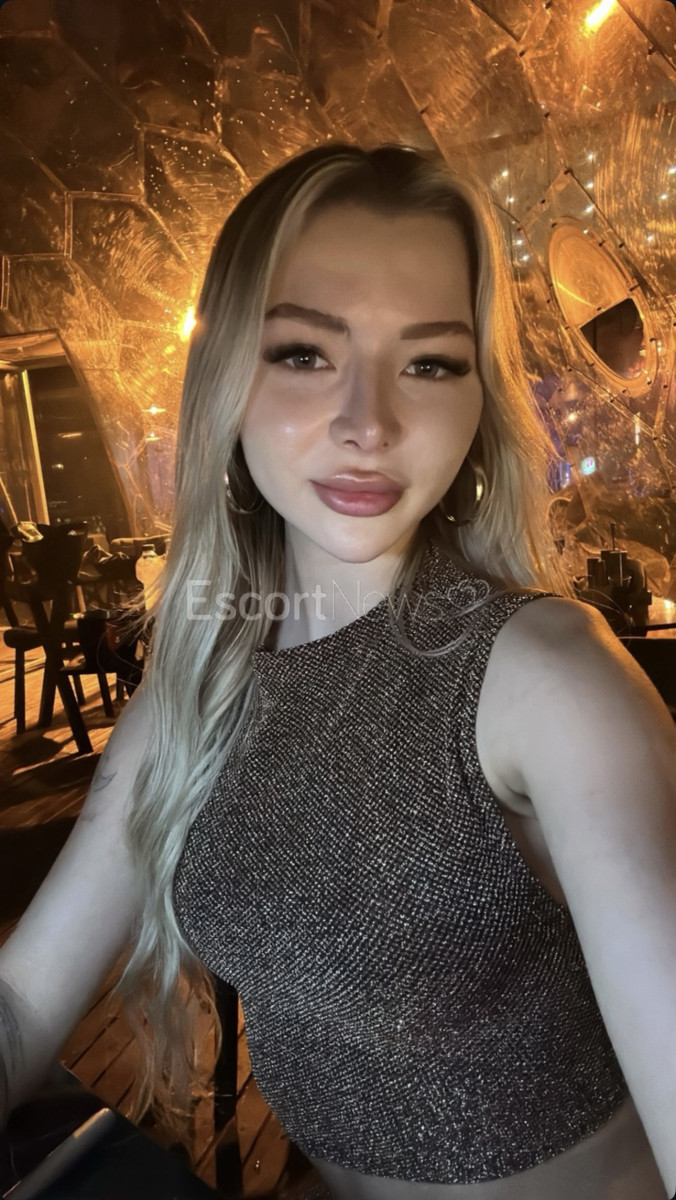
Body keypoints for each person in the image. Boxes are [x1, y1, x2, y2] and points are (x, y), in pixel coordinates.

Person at [0, 143, 674, 1200]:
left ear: (479, 400)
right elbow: (25, 999)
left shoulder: (544, 678)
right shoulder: (197, 691)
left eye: (430, 363)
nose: (370, 424)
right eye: (305, 353)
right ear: (227, 377)